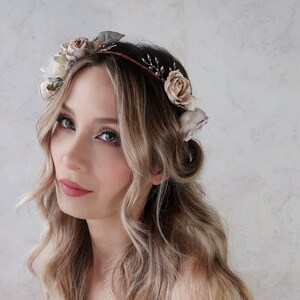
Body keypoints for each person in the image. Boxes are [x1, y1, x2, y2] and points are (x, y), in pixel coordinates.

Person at [21, 31, 252, 300]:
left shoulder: (193, 290)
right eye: (67, 122)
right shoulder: (66, 265)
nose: (70, 158)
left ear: (159, 165)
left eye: (109, 136)